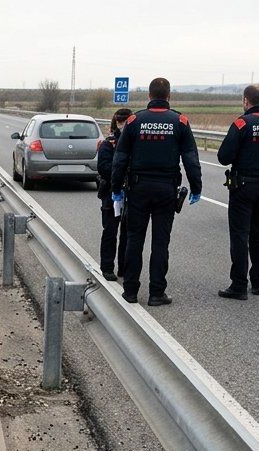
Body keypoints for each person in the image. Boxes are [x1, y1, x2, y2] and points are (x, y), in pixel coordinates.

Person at [110, 77, 202, 306]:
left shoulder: (134, 121)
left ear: (149, 96)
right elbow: (190, 157)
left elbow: (120, 158)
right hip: (166, 189)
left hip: (138, 188)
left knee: (134, 240)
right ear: (169, 96)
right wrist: (196, 187)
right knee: (161, 243)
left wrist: (115, 189)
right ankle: (156, 293)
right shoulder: (179, 121)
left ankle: (130, 291)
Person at [216, 84, 259, 299]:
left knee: (240, 235)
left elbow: (223, 157)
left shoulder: (241, 123)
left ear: (246, 101)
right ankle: (258, 282)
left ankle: (238, 285)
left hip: (243, 186)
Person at [96, 107, 132, 281]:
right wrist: (119, 174)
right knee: (110, 230)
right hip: (111, 193)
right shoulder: (109, 143)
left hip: (131, 193)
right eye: (120, 121)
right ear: (116, 123)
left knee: (128, 233)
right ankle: (107, 267)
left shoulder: (136, 142)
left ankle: (124, 267)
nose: (123, 125)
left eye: (126, 121)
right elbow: (103, 167)